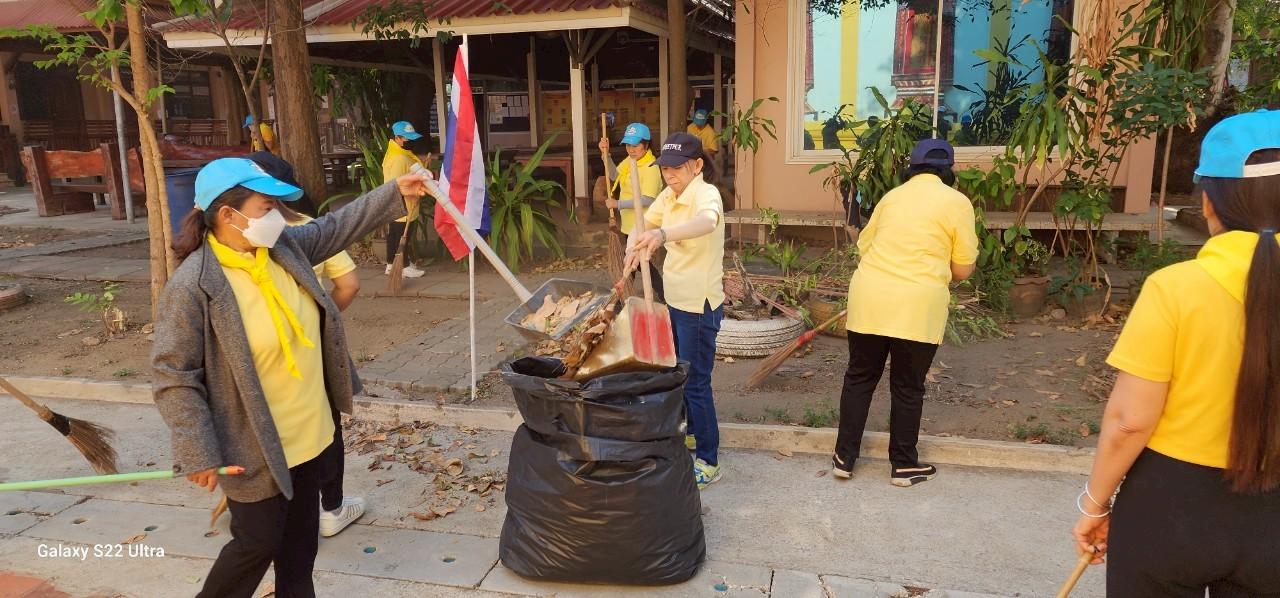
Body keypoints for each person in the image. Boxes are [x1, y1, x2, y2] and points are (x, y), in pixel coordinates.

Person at [152, 157, 430, 597]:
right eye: (267, 207)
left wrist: (397, 191)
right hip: (253, 444)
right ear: (228, 215)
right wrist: (197, 449)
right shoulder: (194, 285)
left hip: (311, 431)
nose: (278, 217)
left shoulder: (284, 249)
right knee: (256, 543)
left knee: (300, 552)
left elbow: (339, 226)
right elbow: (173, 374)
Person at [1071, 109, 1280, 595]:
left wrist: (1095, 505)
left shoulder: (1176, 288)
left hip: (1171, 509)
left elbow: (1130, 421)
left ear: (1208, 200)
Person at [831, 139, 978, 487]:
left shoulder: (891, 197)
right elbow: (963, 270)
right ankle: (903, 465)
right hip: (917, 305)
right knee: (908, 387)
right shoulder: (957, 203)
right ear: (948, 171)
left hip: (870, 297)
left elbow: (865, 246)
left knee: (860, 377)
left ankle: (843, 458)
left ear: (910, 168)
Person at [247, 151, 365, 537]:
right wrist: (318, 320)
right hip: (311, 353)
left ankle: (270, 508)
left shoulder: (231, 244)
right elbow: (348, 284)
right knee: (325, 426)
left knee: (269, 425)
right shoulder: (306, 230)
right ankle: (330, 506)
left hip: (257, 359)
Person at [626, 132, 726, 489]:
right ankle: (689, 434)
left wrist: (664, 235)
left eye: (677, 168)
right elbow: (644, 225)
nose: (670, 175)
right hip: (675, 300)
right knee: (678, 373)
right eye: (665, 169)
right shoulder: (669, 195)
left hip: (699, 304)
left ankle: (709, 458)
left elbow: (707, 223)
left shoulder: (705, 193)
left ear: (697, 165)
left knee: (697, 382)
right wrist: (631, 249)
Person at [599, 121, 665, 300]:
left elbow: (648, 199)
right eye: (628, 145)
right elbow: (613, 175)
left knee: (637, 261)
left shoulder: (651, 167)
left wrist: (617, 204)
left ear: (646, 144)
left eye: (635, 145)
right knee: (641, 262)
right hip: (630, 224)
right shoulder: (631, 160)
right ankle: (662, 296)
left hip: (644, 223)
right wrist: (606, 155)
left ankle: (622, 299)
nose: (631, 149)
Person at [382, 120, 427, 279]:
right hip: (402, 204)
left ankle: (391, 264)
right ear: (398, 138)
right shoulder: (398, 158)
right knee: (401, 235)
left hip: (403, 203)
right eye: (408, 138)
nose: (411, 141)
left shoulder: (399, 153)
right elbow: (396, 184)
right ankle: (403, 266)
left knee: (396, 234)